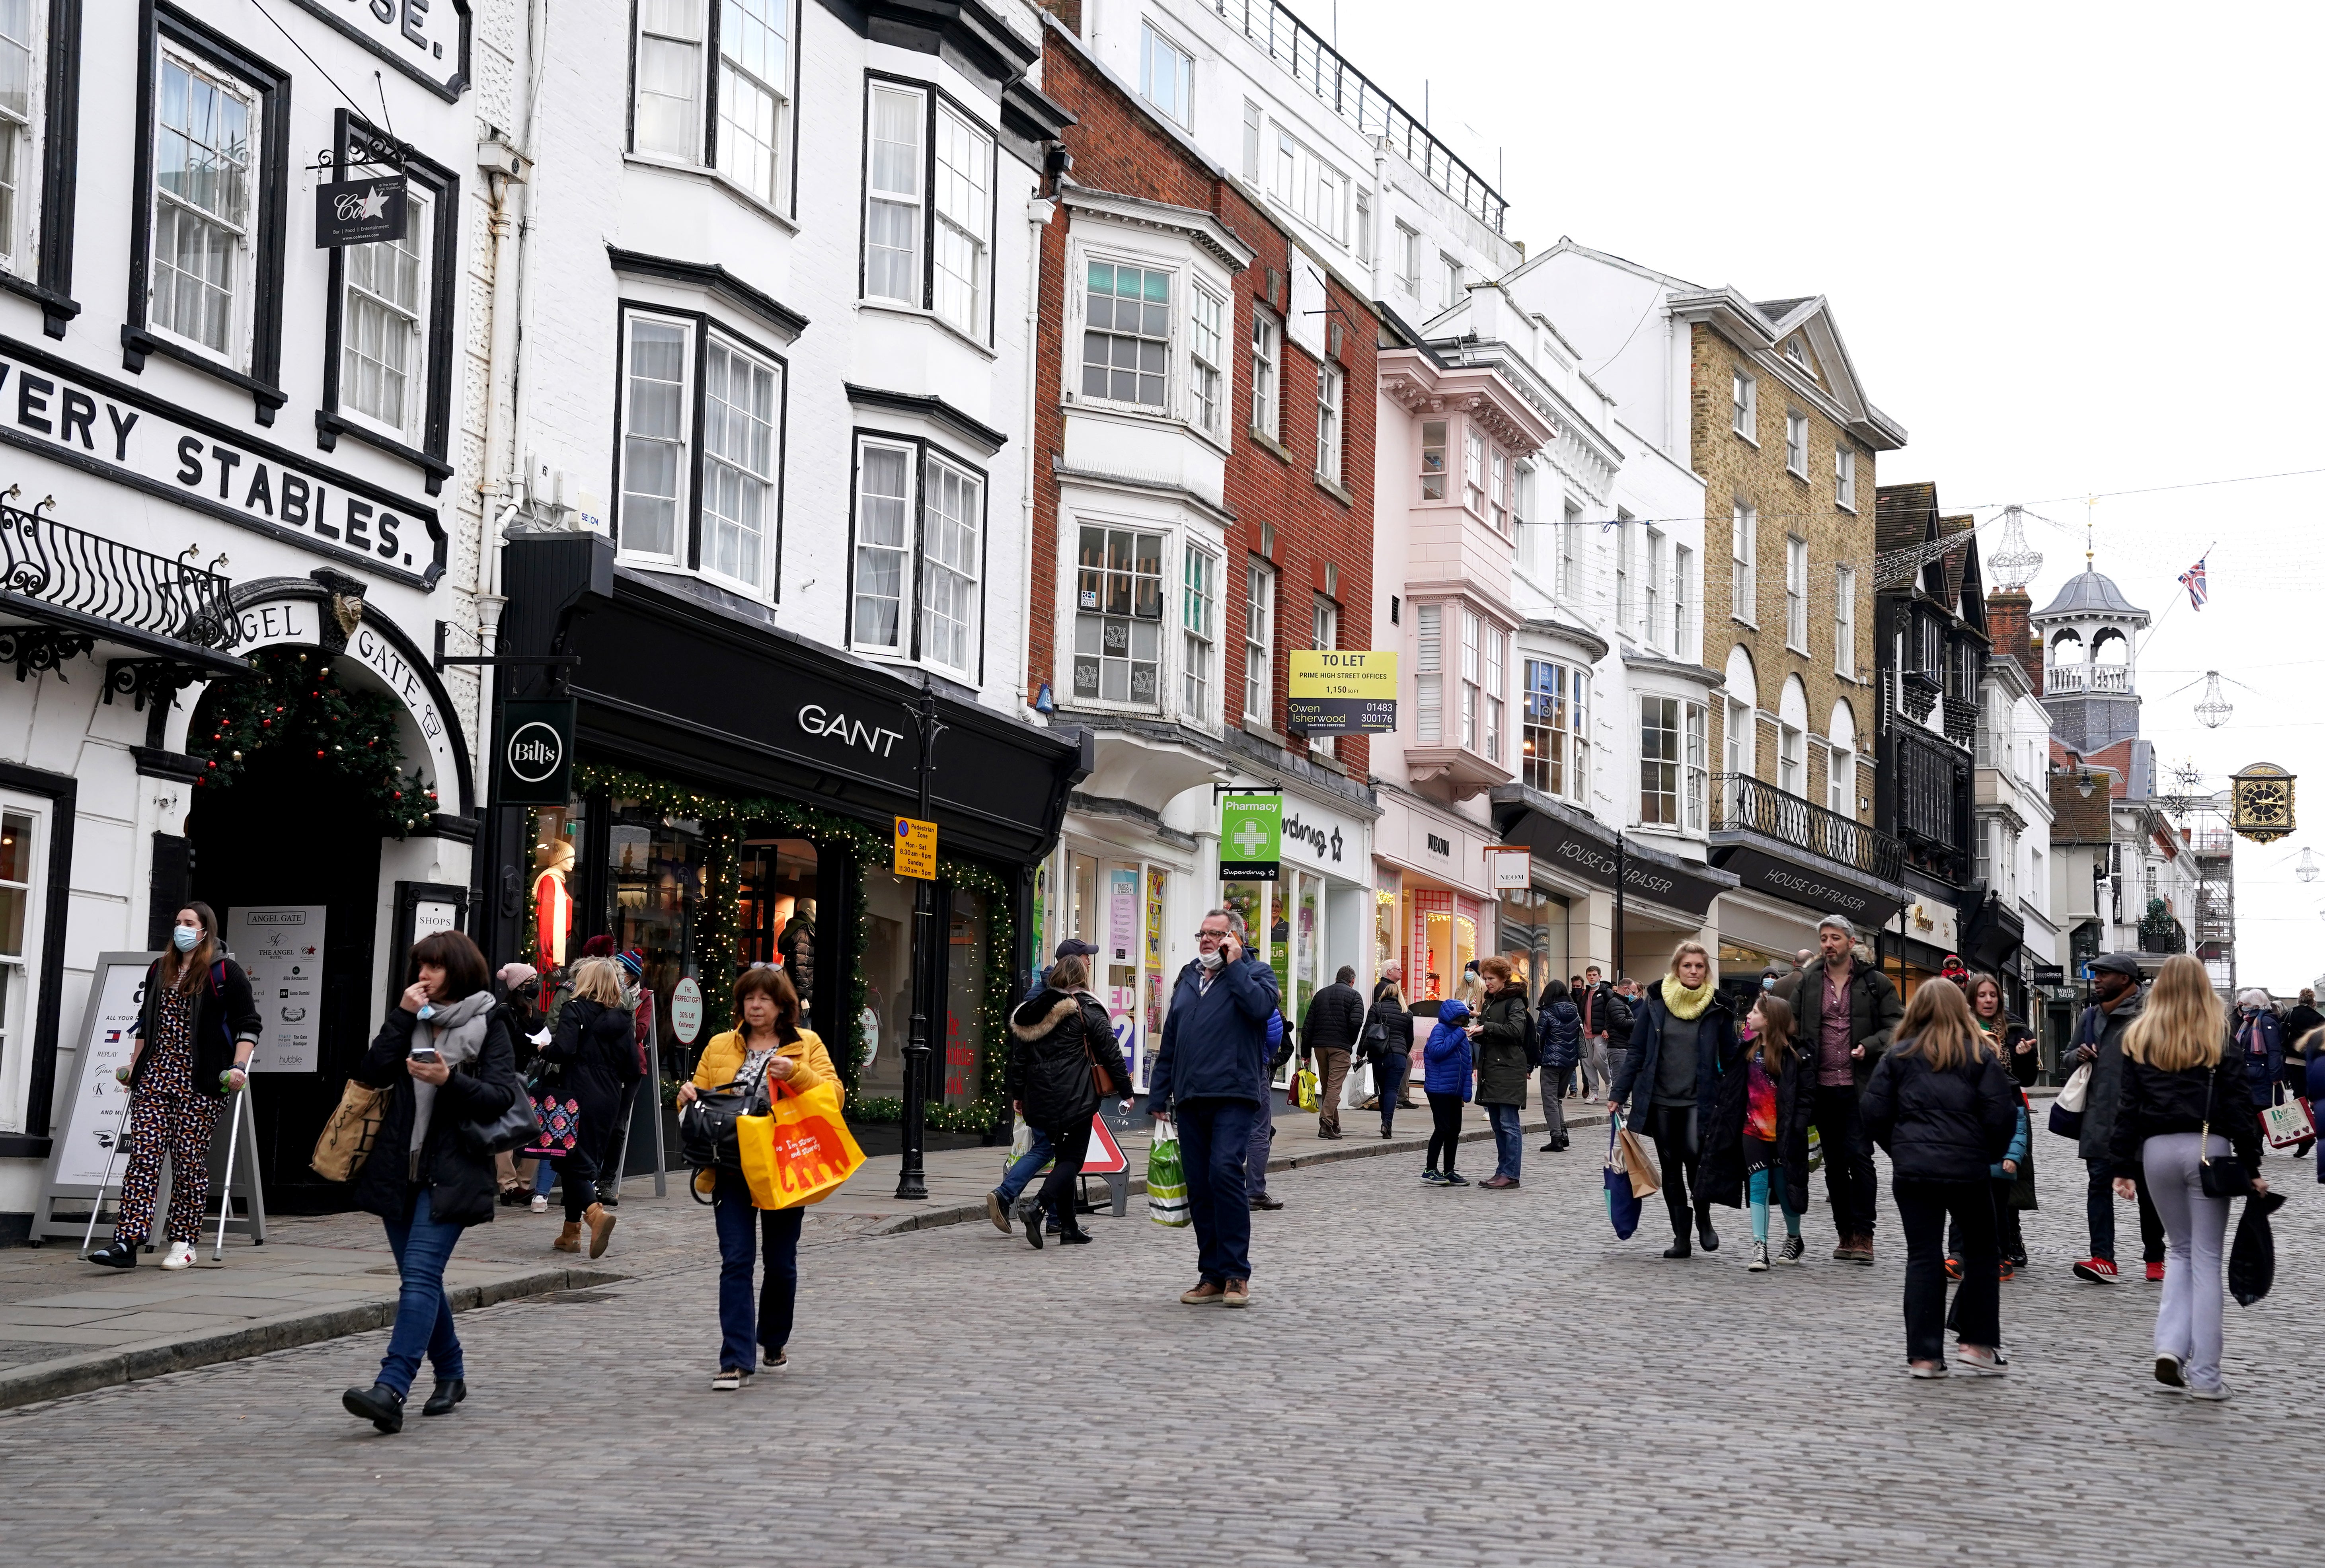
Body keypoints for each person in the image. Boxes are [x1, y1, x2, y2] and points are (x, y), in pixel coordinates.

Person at [339, 930, 524, 1432]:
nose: (424, 974)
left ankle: (391, 1387)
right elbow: (372, 1071)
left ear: (459, 970)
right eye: (420, 965)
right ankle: (452, 1373)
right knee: (421, 1279)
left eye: (435, 967)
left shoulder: (491, 1021)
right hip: (400, 1168)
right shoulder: (411, 1018)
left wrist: (451, 1081)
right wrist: (401, 1015)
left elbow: (500, 1097)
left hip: (454, 1170)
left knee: (419, 1276)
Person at [2109, 954, 2268, 1400]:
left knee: (2177, 1251)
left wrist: (2121, 1166)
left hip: (2155, 1151)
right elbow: (2239, 1106)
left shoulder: (2138, 1035)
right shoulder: (2217, 1035)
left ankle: (2169, 1345)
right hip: (2207, 1149)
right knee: (2205, 1260)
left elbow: (2126, 1108)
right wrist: (2252, 1166)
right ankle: (2205, 1377)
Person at [679, 966, 835, 1389]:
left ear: (782, 1004)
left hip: (784, 1166)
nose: (756, 1005)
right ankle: (735, 1359)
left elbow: (834, 1095)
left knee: (780, 1264)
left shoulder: (806, 1045)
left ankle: (772, 1339)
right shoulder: (719, 1045)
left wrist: (797, 1073)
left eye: (765, 998)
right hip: (730, 1166)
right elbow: (697, 1096)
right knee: (736, 1260)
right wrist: (686, 1096)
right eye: (749, 997)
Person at [86, 903, 261, 1272]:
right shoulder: (160, 969)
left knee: (188, 1161)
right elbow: (144, 1021)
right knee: (143, 1157)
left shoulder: (225, 972)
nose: (180, 928)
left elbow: (249, 1023)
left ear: (205, 930)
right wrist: (134, 1066)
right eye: (177, 922)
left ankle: (183, 1241)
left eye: (189, 923)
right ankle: (127, 1241)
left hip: (201, 1080)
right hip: (155, 1076)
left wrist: (239, 1066)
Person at [1860, 976, 2017, 1378]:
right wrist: (1987, 1154)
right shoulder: (1980, 1056)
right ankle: (1976, 1343)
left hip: (1913, 1173)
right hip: (1967, 1170)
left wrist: (1902, 1150)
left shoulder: (1895, 1056)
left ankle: (1924, 1356)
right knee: (1982, 1252)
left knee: (1922, 1255)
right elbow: (2000, 1115)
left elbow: (1873, 1112)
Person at [1145, 908, 1278, 1308]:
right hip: (1190, 1096)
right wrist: (1158, 1093)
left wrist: (1235, 965)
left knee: (1223, 1171)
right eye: (1202, 933)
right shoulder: (1187, 977)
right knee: (1200, 1184)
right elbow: (1172, 1037)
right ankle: (1212, 1274)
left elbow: (1259, 1009)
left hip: (1234, 1093)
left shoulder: (1257, 974)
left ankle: (1236, 1273)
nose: (1206, 939)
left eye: (1215, 934)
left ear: (1235, 939)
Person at [1770, 914, 1902, 1264]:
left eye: (1835, 938)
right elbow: (1792, 1026)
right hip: (1822, 1087)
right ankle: (1844, 1232)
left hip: (1861, 1087)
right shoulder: (1809, 980)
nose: (1828, 944)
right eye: (1824, 939)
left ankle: (1864, 1235)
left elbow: (1896, 1026)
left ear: (1850, 942)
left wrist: (1870, 1045)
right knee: (1833, 1164)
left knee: (1860, 1158)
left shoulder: (1875, 982)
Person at [1608, 941, 1737, 1258]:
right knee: (1671, 1168)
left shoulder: (1718, 1007)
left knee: (1695, 1160)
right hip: (1661, 1099)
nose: (1693, 971)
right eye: (1687, 966)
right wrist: (1618, 1093)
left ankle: (1704, 1219)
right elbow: (1637, 1051)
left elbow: (1731, 1055)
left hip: (1700, 1099)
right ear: (1676, 969)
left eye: (1699, 966)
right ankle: (1682, 1237)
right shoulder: (1656, 1003)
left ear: (1706, 971)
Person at [1004, 954, 1130, 1249]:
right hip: (1075, 1097)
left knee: (1062, 1159)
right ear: (1081, 976)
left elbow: (1019, 1058)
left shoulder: (1034, 1010)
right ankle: (1037, 1208)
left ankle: (1069, 1226)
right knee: (1072, 1159)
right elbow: (1110, 1051)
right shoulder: (1086, 1008)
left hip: (1040, 1097)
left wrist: (1018, 1095)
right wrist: (1126, 1090)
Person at [2067, 952, 2167, 1283]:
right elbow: (2068, 1056)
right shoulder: (2090, 1016)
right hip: (2098, 1117)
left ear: (2124, 979)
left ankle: (2155, 1257)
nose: (2095, 979)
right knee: (2098, 1186)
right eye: (2095, 974)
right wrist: (2077, 1055)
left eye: (2103, 975)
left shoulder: (2150, 1015)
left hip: (2140, 1120)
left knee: (2149, 1192)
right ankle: (2102, 1258)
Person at [1699, 993, 1810, 1272]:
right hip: (1752, 1132)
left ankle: (1794, 1238)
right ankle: (1760, 1247)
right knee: (1758, 1188)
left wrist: (1798, 1124)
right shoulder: (1745, 1051)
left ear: (1770, 1019)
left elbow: (1806, 1097)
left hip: (1784, 1134)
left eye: (1755, 1012)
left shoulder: (1796, 1054)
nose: (1749, 1016)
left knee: (1785, 1189)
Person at [538, 957, 639, 1258]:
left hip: (577, 1092)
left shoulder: (574, 1009)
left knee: (571, 1162)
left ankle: (595, 1215)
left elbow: (565, 1049)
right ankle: (571, 1233)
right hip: (609, 1096)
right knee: (582, 1160)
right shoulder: (622, 1019)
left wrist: (545, 1049)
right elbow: (632, 1067)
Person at [594, 948, 656, 1207]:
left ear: (632, 976)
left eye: (623, 972)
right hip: (602, 1063)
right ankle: (586, 1180)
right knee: (596, 1119)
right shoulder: (601, 991)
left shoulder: (643, 997)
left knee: (618, 1124)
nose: (619, 976)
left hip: (630, 1066)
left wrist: (622, 1009)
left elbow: (640, 1032)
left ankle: (607, 1182)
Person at [1468, 956, 1530, 1188]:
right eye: (1484, 978)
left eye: (1491, 978)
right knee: (1498, 1125)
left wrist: (1487, 1027)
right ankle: (1502, 1170)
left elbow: (1516, 1030)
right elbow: (1495, 1031)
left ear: (1504, 978)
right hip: (1492, 1070)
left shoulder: (1515, 1001)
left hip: (1508, 1070)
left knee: (1509, 1125)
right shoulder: (1492, 1001)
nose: (1487, 983)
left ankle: (1511, 1174)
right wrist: (1477, 1031)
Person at [1300, 965, 1367, 1141]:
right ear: (1352, 981)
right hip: (1340, 1047)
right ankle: (1326, 1123)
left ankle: (1334, 1124)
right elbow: (1356, 1023)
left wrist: (1305, 1053)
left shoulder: (1321, 995)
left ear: (1337, 978)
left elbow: (1308, 1026)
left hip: (1320, 1046)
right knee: (1335, 1087)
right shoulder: (1355, 996)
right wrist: (1349, 1043)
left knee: (1327, 1086)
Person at [1420, 997, 1473, 1187]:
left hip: (1454, 1091)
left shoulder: (1460, 1037)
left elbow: (1467, 1065)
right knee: (1442, 1128)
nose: (1460, 1024)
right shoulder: (1440, 1030)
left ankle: (1449, 1170)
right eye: (1457, 1020)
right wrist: (1459, 1034)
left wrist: (1466, 1093)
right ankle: (1430, 1169)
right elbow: (1437, 1052)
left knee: (1454, 1130)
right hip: (1439, 1089)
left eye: (1463, 1021)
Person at [1360, 971, 1416, 1139]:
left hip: (1378, 1055)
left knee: (1383, 1089)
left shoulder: (1377, 1008)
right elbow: (1410, 1038)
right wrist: (1404, 1051)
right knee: (1392, 1089)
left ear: (1384, 994)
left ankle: (1385, 1120)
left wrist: (1360, 1052)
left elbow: (1367, 1031)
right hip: (1399, 1056)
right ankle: (1387, 1123)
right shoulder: (1407, 1013)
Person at [1963, 972, 2039, 1089]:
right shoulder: (1961, 1029)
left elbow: (2028, 1081)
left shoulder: (2016, 1029)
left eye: (1993, 995)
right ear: (1972, 999)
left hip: (2005, 1101)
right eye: (1982, 995)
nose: (1989, 1000)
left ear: (1999, 999)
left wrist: (2024, 1057)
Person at [2231, 989, 2285, 1153]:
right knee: (2251, 1109)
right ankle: (2254, 1144)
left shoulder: (2266, 1023)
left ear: (2256, 1005)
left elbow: (2274, 1050)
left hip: (2262, 1075)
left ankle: (2256, 1144)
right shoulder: (2249, 1023)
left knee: (2259, 1110)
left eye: (2246, 1005)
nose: (2243, 1008)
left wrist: (2276, 1075)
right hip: (2250, 1073)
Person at [1249, 1007, 1292, 1211]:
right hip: (1254, 1067)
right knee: (1259, 1130)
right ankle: (1255, 1192)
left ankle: (1225, 1190)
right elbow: (1275, 1037)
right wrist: (1267, 1056)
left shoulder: (1218, 994)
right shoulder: (1263, 1001)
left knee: (1227, 1128)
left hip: (1222, 1070)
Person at [1536, 978, 1581, 1153]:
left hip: (1551, 1061)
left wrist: (1531, 1062)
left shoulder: (1547, 1013)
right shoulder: (1575, 1013)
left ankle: (1556, 1137)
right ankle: (1563, 1133)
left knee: (1549, 1099)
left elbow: (1539, 1038)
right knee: (1558, 1099)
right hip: (1570, 1063)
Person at [1577, 964, 1632, 1104]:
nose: (1592, 978)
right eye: (1589, 975)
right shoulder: (1585, 992)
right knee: (1587, 1062)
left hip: (1600, 1032)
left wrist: (1607, 1028)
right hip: (1586, 1032)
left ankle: (1609, 1084)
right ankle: (1594, 1092)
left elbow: (1610, 1012)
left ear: (1600, 977)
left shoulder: (1606, 992)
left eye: (1594, 975)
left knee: (1599, 1059)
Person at [2281, 991, 2322, 1158]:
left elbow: (2281, 1035)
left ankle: (2303, 1139)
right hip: (2312, 1062)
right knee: (2317, 1099)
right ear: (2313, 1001)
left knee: (2300, 1099)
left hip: (2292, 1060)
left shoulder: (2290, 1014)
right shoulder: (2318, 1018)